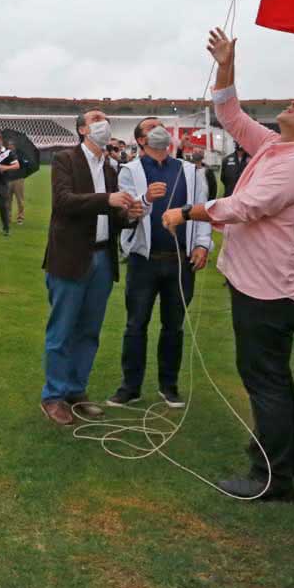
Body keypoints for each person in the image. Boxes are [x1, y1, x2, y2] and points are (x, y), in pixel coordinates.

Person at [162, 27, 294, 502]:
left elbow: (246, 206)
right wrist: (226, 63)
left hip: (269, 291)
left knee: (263, 380)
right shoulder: (273, 147)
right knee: (274, 377)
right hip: (263, 286)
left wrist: (186, 212)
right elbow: (229, 112)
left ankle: (272, 476)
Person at [40, 110, 141, 426]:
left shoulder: (111, 168)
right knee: (62, 331)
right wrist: (107, 200)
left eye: (105, 117)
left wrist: (130, 214)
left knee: (89, 331)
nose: (104, 122)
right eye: (96, 118)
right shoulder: (64, 159)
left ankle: (75, 390)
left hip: (101, 258)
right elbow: (65, 202)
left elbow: (112, 214)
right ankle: (53, 396)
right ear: (83, 129)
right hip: (70, 257)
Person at [109, 117, 213, 408]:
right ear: (141, 140)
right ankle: (131, 387)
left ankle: (169, 386)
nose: (159, 130)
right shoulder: (129, 170)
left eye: (161, 125)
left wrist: (203, 245)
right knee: (135, 325)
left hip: (180, 260)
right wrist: (145, 198)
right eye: (150, 127)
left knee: (174, 326)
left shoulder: (191, 171)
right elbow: (127, 213)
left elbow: (202, 211)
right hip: (144, 261)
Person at [5, 138, 28, 225]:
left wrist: (19, 160)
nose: (10, 146)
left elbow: (26, 164)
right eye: (9, 144)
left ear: (15, 146)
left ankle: (20, 218)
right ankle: (8, 218)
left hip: (18, 179)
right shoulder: (5, 154)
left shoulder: (21, 154)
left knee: (20, 200)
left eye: (12, 144)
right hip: (8, 179)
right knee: (7, 200)